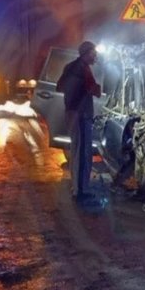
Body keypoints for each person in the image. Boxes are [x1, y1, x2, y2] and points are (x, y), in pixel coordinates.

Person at [56, 41, 101, 202]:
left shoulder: (71, 67)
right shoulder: (82, 69)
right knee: (82, 153)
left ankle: (77, 187)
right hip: (80, 116)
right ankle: (80, 191)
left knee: (77, 152)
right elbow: (95, 90)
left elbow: (59, 86)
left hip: (73, 113)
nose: (95, 56)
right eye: (93, 53)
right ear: (86, 53)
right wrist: (95, 89)